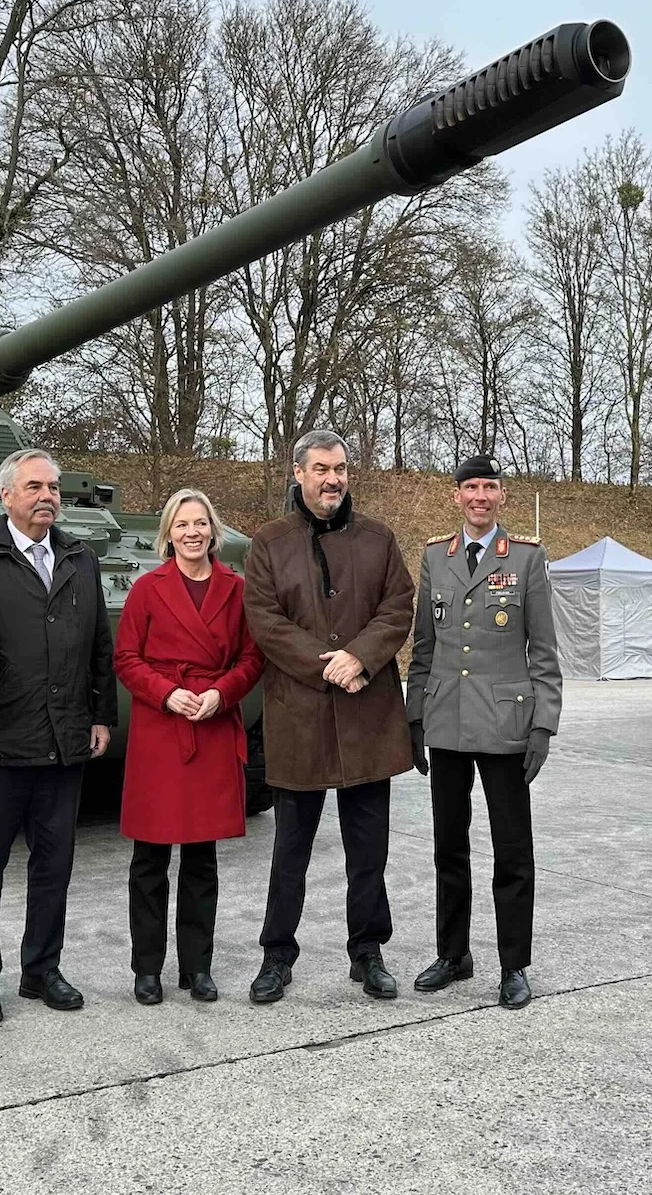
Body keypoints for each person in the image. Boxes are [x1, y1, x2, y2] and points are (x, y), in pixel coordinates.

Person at [242, 429, 416, 1004]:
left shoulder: (378, 538)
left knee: (369, 850)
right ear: (298, 473)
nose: (332, 479)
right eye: (321, 469)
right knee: (290, 849)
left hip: (367, 716)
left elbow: (398, 606)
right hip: (300, 718)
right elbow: (264, 620)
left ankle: (367, 952)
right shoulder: (269, 542)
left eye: (340, 468)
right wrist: (325, 667)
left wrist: (360, 657)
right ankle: (277, 954)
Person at [0, 449, 116, 1022]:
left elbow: (100, 643)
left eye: (53, 487)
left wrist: (101, 715)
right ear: (6, 496)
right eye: (33, 487)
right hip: (1, 744)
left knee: (54, 863)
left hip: (65, 739)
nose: (46, 496)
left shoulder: (80, 556)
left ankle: (42, 969)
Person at [405, 455, 562, 1010]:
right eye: (470, 486)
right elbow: (424, 647)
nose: (479, 496)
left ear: (501, 496)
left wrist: (543, 725)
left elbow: (543, 651)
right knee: (449, 846)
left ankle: (514, 964)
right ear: (456, 496)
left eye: (489, 487)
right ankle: (454, 954)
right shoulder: (434, 557)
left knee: (511, 850)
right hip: (446, 721)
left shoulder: (526, 557)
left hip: (505, 724)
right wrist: (415, 716)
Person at [110, 489, 266, 1006]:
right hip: (161, 728)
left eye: (200, 523)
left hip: (213, 724)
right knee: (149, 859)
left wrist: (220, 694)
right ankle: (147, 968)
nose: (192, 533)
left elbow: (251, 658)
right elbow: (127, 659)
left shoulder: (236, 589)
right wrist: (167, 693)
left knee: (202, 860)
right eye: (182, 525)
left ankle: (198, 967)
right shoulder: (146, 589)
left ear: (213, 531)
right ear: (168, 534)